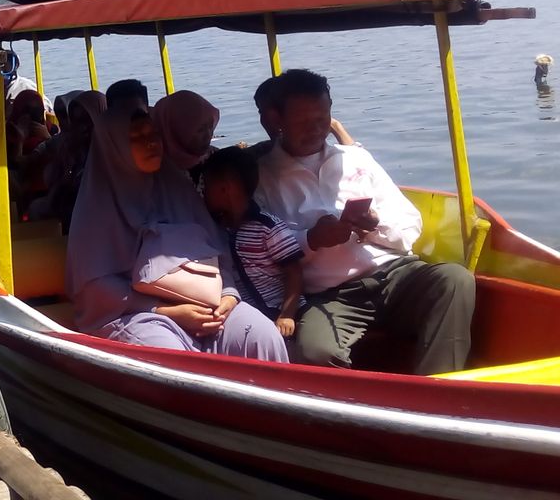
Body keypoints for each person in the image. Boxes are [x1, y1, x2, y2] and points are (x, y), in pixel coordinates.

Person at [254, 69, 475, 374]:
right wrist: (312, 240)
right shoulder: (260, 178)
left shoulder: (355, 158)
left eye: (323, 119)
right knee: (315, 352)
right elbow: (259, 254)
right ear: (276, 119)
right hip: (329, 295)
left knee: (455, 280)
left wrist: (375, 226)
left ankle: (436, 393)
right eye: (304, 122)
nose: (317, 130)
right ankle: (359, 408)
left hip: (394, 274)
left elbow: (410, 223)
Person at [65, 106, 288, 361]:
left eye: (154, 134)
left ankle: (276, 400)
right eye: (137, 137)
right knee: (174, 358)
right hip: (135, 315)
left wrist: (228, 294)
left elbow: (217, 252)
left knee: (261, 334)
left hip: (204, 304)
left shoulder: (178, 189)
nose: (151, 143)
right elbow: (95, 290)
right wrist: (168, 311)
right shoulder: (96, 210)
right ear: (114, 147)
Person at [202, 146, 304, 338]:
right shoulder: (219, 228)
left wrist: (287, 314)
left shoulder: (268, 227)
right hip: (253, 315)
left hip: (282, 311)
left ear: (225, 189)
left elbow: (295, 272)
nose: (204, 193)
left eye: (206, 186)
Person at [26, 90, 104, 232]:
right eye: (77, 121)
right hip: (71, 201)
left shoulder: (110, 146)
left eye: (87, 120)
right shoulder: (70, 143)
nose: (83, 127)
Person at [152, 90, 219, 177]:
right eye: (200, 130)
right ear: (176, 130)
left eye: (211, 126)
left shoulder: (218, 160)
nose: (208, 135)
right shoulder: (154, 173)